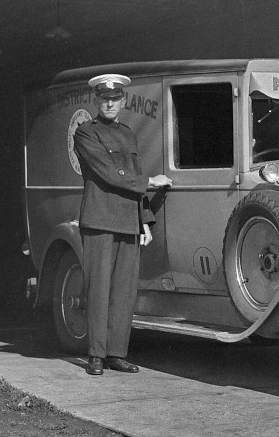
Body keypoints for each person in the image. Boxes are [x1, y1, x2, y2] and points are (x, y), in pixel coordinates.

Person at [73, 73, 172, 376]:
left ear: (123, 101)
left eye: (115, 99)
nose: (110, 104)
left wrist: (144, 221)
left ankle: (117, 353)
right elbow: (108, 172)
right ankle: (96, 355)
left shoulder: (128, 135)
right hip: (100, 219)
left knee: (123, 292)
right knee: (99, 290)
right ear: (96, 100)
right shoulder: (86, 133)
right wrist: (150, 181)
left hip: (128, 220)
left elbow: (133, 177)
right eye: (104, 99)